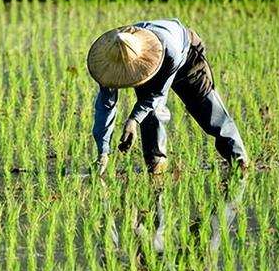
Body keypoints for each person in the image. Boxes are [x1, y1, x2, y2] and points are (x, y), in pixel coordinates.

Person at [87, 18, 249, 176]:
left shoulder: (169, 51)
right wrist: (103, 151)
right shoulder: (108, 63)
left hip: (185, 54)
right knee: (151, 114)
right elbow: (105, 106)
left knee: (204, 105)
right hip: (147, 60)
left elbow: (157, 94)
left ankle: (238, 157)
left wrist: (133, 120)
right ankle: (155, 167)